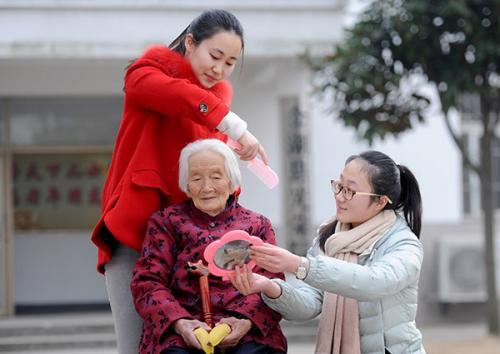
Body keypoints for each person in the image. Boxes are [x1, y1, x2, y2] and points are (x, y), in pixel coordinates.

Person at [90, 9, 269, 354]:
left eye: (230, 62)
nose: (219, 69)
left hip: (191, 242)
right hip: (134, 234)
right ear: (190, 43)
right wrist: (234, 125)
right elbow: (179, 98)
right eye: (214, 55)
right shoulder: (144, 74)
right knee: (135, 345)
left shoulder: (218, 102)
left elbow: (212, 172)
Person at [230, 151, 426, 354]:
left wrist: (300, 265)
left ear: (380, 201)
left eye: (350, 191)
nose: (339, 196)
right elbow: (310, 304)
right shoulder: (331, 237)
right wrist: (270, 287)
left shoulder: (403, 243)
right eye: (339, 186)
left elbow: (376, 282)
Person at [131, 139, 287, 354]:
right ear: (186, 185)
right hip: (182, 329)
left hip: (245, 326)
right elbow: (147, 282)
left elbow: (273, 280)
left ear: (232, 182)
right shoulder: (166, 222)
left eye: (216, 177)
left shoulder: (257, 225)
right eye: (196, 178)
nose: (207, 187)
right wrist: (180, 322)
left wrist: (246, 320)